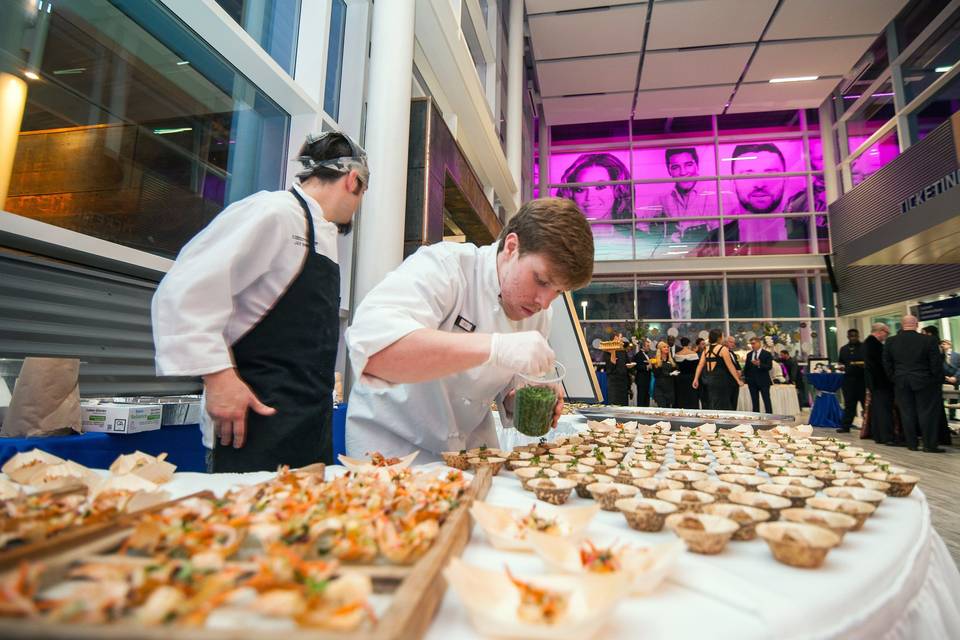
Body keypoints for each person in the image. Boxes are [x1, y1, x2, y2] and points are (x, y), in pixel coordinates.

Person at [151, 132, 368, 472]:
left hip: (307, 423)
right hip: (252, 425)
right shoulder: (274, 212)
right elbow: (185, 290)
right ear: (353, 180)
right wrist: (219, 378)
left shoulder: (320, 234)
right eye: (362, 195)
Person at [344, 197, 594, 460]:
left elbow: (509, 393)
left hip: (468, 449)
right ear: (511, 247)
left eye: (558, 291)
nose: (544, 302)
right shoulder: (446, 266)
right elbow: (376, 355)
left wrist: (527, 400)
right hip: (392, 444)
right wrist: (494, 347)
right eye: (541, 280)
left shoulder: (539, 315)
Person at [883, 315, 944, 452]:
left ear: (901, 325)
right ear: (916, 324)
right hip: (924, 381)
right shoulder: (929, 340)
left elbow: (886, 363)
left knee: (906, 413)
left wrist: (894, 377)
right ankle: (929, 445)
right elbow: (936, 363)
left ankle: (912, 444)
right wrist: (935, 379)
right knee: (927, 413)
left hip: (901, 381)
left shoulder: (891, 341)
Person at [555, 153, 633, 260]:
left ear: (618, 190)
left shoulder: (637, 240)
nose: (589, 197)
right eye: (580, 189)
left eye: (600, 187)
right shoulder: (560, 246)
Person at [650, 147, 720, 244]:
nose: (683, 172)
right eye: (675, 167)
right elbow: (642, 225)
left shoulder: (715, 195)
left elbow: (721, 236)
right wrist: (665, 240)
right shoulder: (664, 199)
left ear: (697, 166)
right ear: (669, 171)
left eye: (688, 165)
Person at [693, 329, 743, 410]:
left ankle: (712, 421)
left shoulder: (706, 349)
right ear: (719, 338)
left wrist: (695, 379)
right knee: (723, 406)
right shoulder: (723, 349)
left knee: (712, 404)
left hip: (708, 381)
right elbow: (730, 366)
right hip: (721, 381)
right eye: (722, 336)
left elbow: (700, 365)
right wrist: (738, 380)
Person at [864, 323, 895, 445]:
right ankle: (886, 436)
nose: (887, 336)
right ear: (881, 331)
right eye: (887, 333)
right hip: (880, 383)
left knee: (878, 410)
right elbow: (880, 366)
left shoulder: (868, 343)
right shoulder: (874, 345)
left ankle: (879, 435)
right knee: (883, 411)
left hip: (875, 383)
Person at [838, 328, 866, 433]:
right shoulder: (844, 349)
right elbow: (841, 362)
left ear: (858, 336)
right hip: (848, 381)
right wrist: (841, 367)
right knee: (849, 404)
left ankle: (869, 427)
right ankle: (846, 426)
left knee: (865, 404)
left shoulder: (864, 347)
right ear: (848, 337)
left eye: (855, 336)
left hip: (862, 380)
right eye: (851, 336)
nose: (853, 338)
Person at [744, 337, 774, 413]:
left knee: (766, 401)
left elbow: (769, 367)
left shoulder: (767, 354)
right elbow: (747, 368)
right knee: (755, 402)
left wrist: (760, 364)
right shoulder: (749, 355)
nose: (752, 346)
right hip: (752, 382)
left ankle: (769, 417)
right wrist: (745, 378)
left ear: (759, 343)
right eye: (751, 344)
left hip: (764, 381)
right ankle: (756, 418)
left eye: (753, 343)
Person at [602, 333, 631, 406]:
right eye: (618, 339)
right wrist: (613, 351)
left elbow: (627, 363)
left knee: (624, 405)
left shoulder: (623, 351)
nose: (620, 341)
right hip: (613, 382)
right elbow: (611, 365)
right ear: (612, 341)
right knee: (614, 404)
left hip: (623, 382)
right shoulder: (606, 352)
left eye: (620, 339)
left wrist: (629, 367)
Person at [674, 337, 700, 409]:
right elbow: (697, 367)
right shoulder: (694, 354)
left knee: (682, 397)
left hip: (681, 379)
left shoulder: (677, 354)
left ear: (681, 344)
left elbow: (676, 366)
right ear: (689, 344)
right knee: (692, 397)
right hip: (692, 378)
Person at [651, 341, 677, 408]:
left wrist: (675, 372)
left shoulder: (671, 360)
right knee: (662, 407)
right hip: (659, 388)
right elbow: (657, 374)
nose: (667, 348)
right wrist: (670, 374)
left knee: (668, 409)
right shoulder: (656, 360)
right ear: (660, 349)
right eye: (664, 347)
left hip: (670, 388)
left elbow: (675, 370)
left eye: (667, 347)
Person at [941, 339, 960, 420]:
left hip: (955, 379)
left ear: (949, 345)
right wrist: (945, 377)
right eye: (941, 344)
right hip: (944, 380)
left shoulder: (957, 355)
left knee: (954, 398)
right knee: (942, 397)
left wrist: (955, 377)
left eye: (944, 344)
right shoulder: (940, 356)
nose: (942, 345)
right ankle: (942, 417)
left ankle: (952, 416)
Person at [632, 338, 653, 407]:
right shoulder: (638, 355)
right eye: (647, 346)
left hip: (647, 379)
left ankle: (646, 411)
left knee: (646, 397)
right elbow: (636, 366)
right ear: (643, 346)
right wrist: (647, 367)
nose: (649, 347)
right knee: (641, 398)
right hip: (641, 380)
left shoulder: (647, 355)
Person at [725, 335, 742, 409]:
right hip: (727, 382)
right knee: (728, 404)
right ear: (725, 342)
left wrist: (739, 372)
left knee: (734, 403)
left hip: (735, 382)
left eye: (733, 343)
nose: (733, 344)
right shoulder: (723, 353)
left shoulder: (733, 354)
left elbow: (737, 366)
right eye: (730, 342)